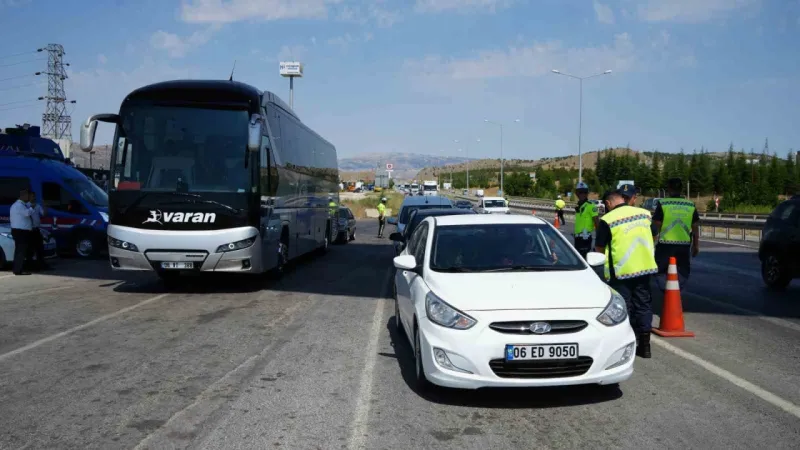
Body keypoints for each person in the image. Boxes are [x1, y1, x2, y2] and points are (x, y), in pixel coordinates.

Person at [595, 184, 658, 359]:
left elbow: (599, 248)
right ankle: (645, 346)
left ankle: (626, 346)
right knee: (644, 305)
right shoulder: (644, 214)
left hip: (621, 272)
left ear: (608, 203)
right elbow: (654, 234)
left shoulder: (607, 220)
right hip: (645, 268)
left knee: (624, 308)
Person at [652, 178, 700, 289]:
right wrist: (696, 245)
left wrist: (652, 242)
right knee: (683, 271)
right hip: (684, 245)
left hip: (665, 245)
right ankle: (676, 289)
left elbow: (656, 225)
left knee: (660, 270)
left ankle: (668, 291)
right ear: (681, 189)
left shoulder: (663, 203)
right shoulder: (690, 205)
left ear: (669, 189)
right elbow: (695, 226)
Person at [10, 188, 34, 276]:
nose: (29, 198)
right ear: (23, 196)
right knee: (20, 251)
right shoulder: (18, 206)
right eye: (28, 196)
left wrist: (30, 204)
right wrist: (32, 207)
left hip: (20, 231)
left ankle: (18, 268)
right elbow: (27, 213)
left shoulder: (21, 205)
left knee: (21, 251)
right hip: (20, 232)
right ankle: (18, 270)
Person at [573, 182, 599, 259]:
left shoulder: (591, 206)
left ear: (587, 193)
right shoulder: (579, 206)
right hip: (577, 238)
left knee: (583, 260)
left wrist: (599, 241)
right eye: (580, 192)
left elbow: (597, 223)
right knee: (578, 259)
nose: (582, 194)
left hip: (585, 238)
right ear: (576, 193)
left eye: (584, 192)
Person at [26, 193, 51, 271]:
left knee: (40, 248)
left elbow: (44, 214)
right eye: (32, 196)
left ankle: (42, 264)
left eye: (35, 197)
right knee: (30, 249)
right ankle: (31, 266)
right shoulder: (26, 206)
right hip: (30, 230)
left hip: (36, 229)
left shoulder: (37, 205)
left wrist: (45, 206)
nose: (34, 198)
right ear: (29, 197)